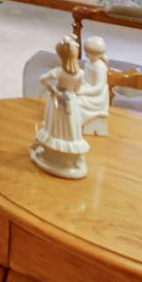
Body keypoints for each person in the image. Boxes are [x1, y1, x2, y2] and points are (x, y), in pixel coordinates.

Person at [30, 36, 89, 179]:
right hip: (71, 101)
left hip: (57, 100)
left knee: (53, 126)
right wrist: (70, 93)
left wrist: (52, 89)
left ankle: (53, 153)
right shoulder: (80, 74)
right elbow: (78, 90)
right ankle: (72, 156)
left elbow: (42, 79)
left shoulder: (59, 71)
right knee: (72, 129)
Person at [77, 35, 111, 136]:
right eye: (86, 52)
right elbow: (86, 78)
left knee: (75, 101)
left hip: (97, 97)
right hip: (88, 89)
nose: (86, 55)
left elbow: (98, 88)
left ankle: (74, 123)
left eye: (89, 53)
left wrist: (82, 91)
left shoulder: (100, 67)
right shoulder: (89, 62)